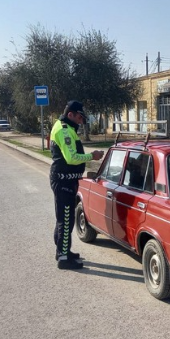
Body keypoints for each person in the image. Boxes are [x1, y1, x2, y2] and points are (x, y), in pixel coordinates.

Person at [49, 100, 104, 270]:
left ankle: (62, 250)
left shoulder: (66, 127)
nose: (81, 121)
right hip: (63, 180)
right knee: (66, 220)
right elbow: (71, 158)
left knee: (64, 218)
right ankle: (64, 259)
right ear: (70, 114)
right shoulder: (64, 130)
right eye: (79, 117)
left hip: (67, 179)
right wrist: (92, 156)